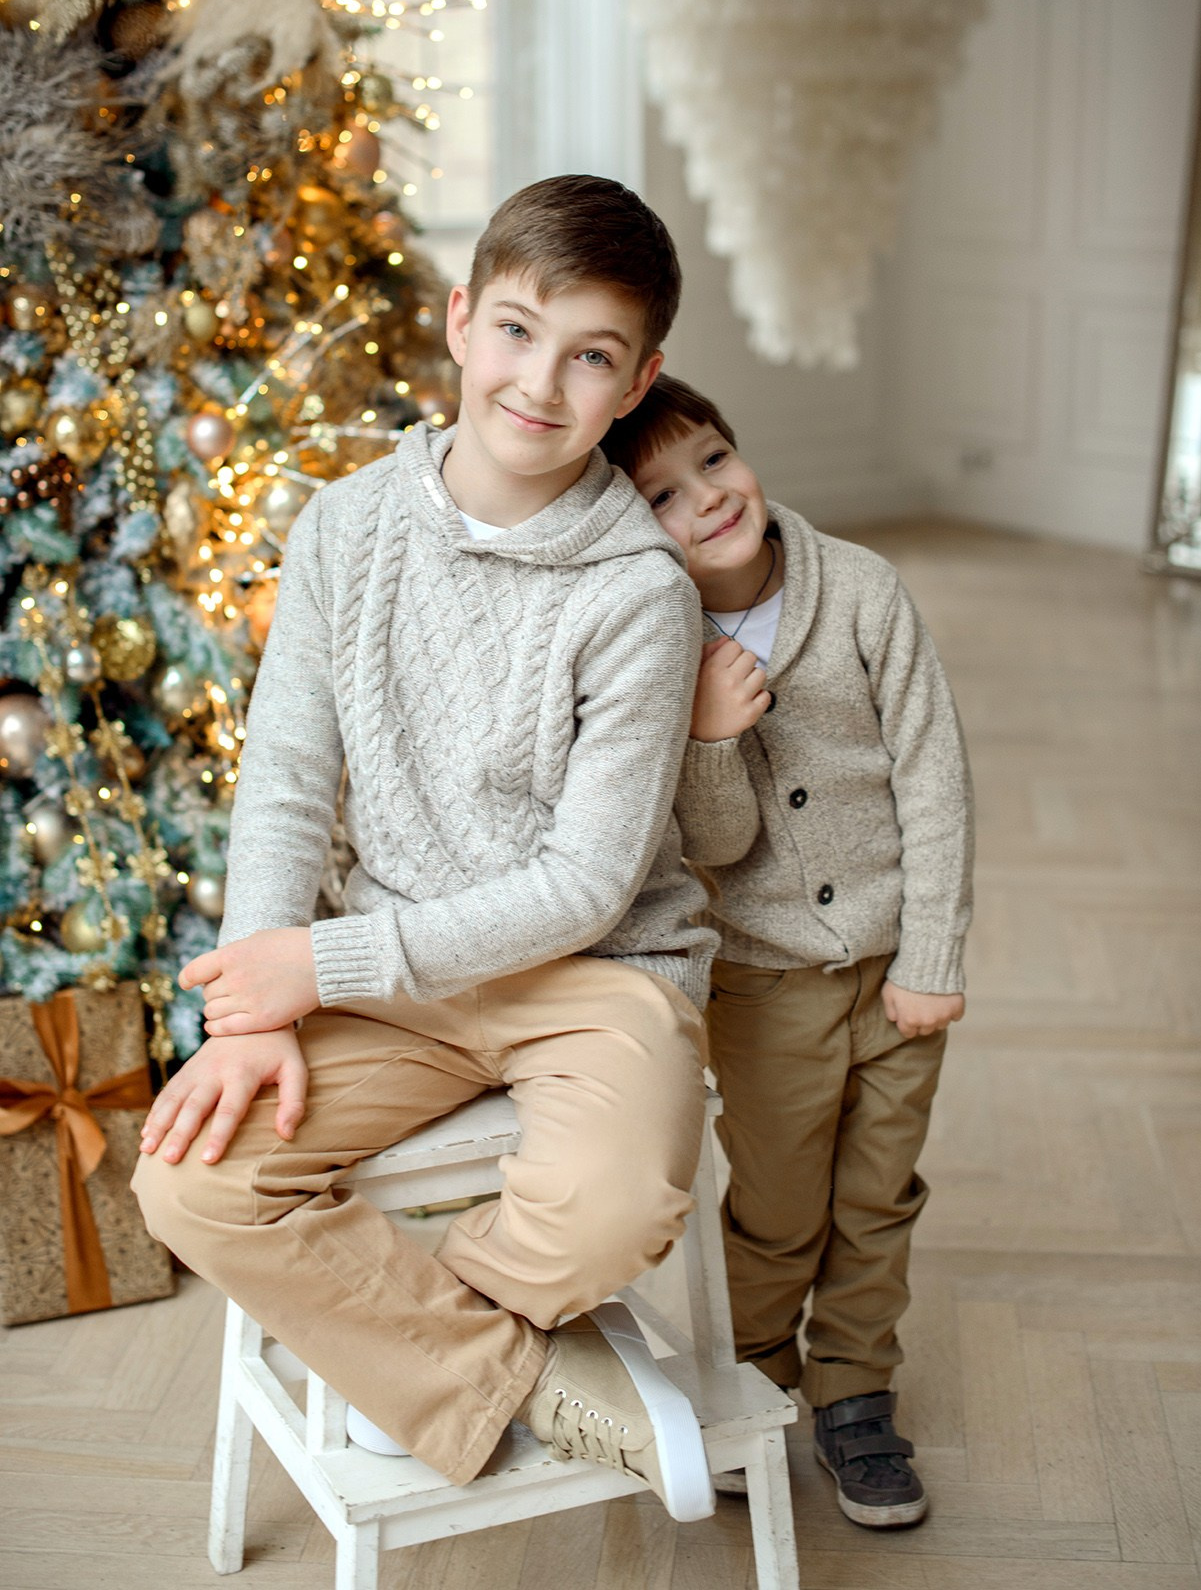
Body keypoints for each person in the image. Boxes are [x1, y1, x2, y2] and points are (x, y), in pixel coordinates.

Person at [132, 178, 720, 1523]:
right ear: (458, 322)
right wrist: (251, 1015)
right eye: (516, 330)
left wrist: (324, 958)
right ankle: (511, 1377)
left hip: (595, 973)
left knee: (616, 1204)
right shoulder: (344, 529)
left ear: (639, 381)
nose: (539, 382)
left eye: (590, 356)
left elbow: (585, 885)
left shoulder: (637, 593)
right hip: (391, 973)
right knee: (188, 1180)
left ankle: (419, 1351)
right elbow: (287, 777)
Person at [602, 374, 974, 1529]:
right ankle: (755, 1376)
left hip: (895, 972)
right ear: (630, 525)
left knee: (877, 1195)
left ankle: (856, 1394)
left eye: (712, 460)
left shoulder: (861, 591)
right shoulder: (654, 642)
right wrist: (712, 736)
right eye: (663, 494)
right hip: (763, 988)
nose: (706, 498)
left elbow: (935, 780)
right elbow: (711, 846)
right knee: (776, 1207)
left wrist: (933, 955)